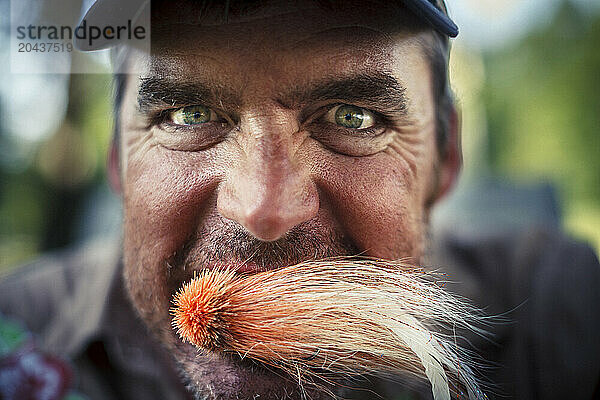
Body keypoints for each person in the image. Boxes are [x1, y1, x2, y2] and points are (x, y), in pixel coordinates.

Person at [1, 0, 599, 399]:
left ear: (444, 159)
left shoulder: (556, 311)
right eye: (187, 115)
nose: (263, 210)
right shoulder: (19, 333)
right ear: (118, 161)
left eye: (354, 117)